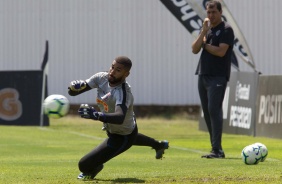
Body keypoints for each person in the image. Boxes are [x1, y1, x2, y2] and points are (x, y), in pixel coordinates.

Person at [68, 56, 169, 180]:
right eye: (112, 67)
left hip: (122, 136)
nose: (112, 71)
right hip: (123, 128)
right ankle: (158, 145)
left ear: (126, 74)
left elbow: (120, 117)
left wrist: (96, 115)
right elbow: (74, 92)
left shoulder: (123, 92)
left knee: (83, 165)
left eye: (118, 70)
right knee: (132, 134)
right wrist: (73, 88)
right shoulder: (101, 78)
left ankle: (94, 168)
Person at [191, 0, 234, 158]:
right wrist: (203, 32)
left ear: (220, 12)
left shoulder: (226, 30)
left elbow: (221, 51)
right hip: (203, 74)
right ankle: (214, 147)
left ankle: (218, 150)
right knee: (208, 112)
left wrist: (205, 45)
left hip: (218, 76)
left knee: (214, 110)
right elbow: (194, 49)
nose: (210, 15)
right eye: (208, 12)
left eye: (213, 12)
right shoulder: (207, 30)